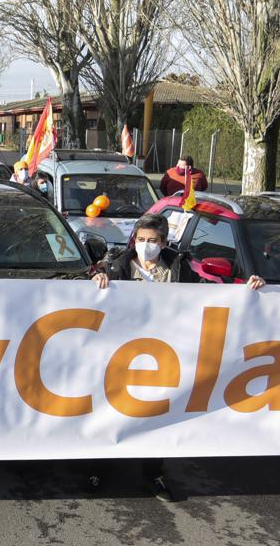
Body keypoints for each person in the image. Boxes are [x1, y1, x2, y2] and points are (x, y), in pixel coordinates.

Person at [92, 214, 265, 501]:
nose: (146, 246)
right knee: (112, 414)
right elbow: (83, 292)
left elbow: (206, 292)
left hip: (164, 357)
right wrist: (96, 279)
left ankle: (153, 474)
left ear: (163, 242)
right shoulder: (116, 267)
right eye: (142, 240)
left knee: (156, 416)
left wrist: (245, 290)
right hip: (120, 356)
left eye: (153, 241)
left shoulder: (177, 266)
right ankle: (100, 470)